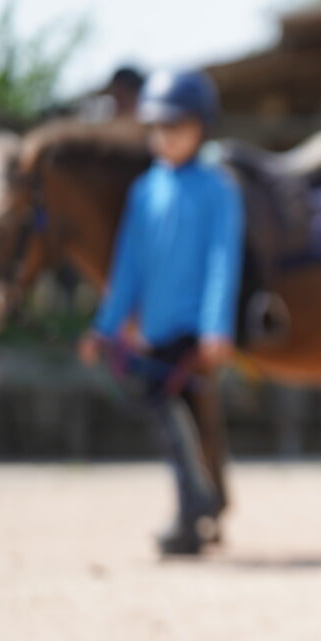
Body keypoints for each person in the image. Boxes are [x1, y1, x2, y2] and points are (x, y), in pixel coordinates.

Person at [77, 68, 244, 557]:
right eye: (158, 128)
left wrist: (216, 326)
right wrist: (103, 328)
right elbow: (127, 270)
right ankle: (200, 507)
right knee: (176, 429)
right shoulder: (144, 192)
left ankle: (194, 514)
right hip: (154, 335)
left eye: (177, 126)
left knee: (186, 426)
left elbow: (222, 261)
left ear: (201, 127)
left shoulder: (218, 189)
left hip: (193, 336)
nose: (166, 137)